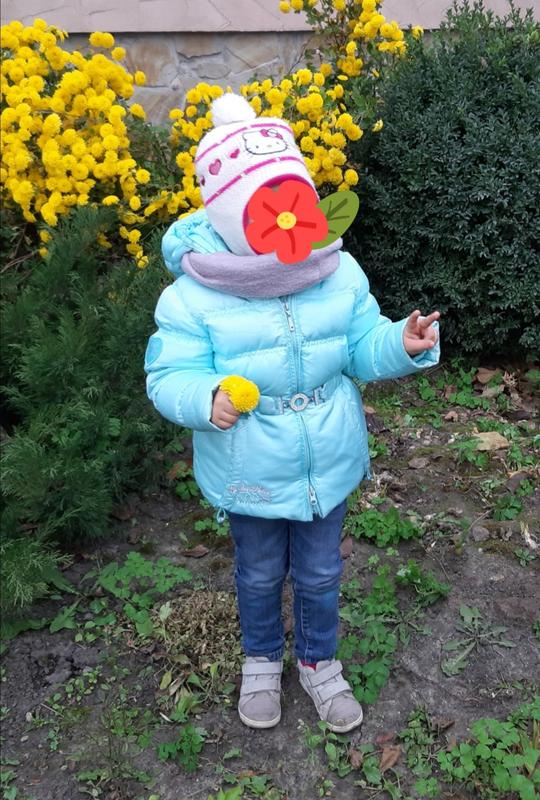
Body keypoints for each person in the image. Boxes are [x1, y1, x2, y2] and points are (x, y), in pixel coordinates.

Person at [145, 93, 440, 733]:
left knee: (321, 571)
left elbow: (358, 347)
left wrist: (399, 342)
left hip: (326, 458)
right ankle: (260, 659)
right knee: (257, 573)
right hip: (249, 464)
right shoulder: (193, 295)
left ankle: (318, 661)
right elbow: (169, 374)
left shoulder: (338, 271)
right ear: (231, 214)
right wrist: (204, 399)